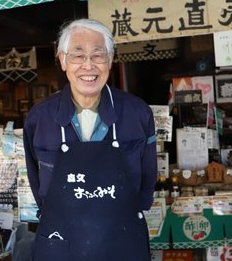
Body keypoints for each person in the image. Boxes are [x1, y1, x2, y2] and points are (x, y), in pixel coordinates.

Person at [23, 18, 156, 260]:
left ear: (110, 60)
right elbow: (36, 181)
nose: (88, 65)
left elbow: (147, 182)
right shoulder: (39, 118)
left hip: (122, 242)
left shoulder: (137, 114)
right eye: (77, 55)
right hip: (60, 243)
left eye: (98, 55)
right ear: (62, 61)